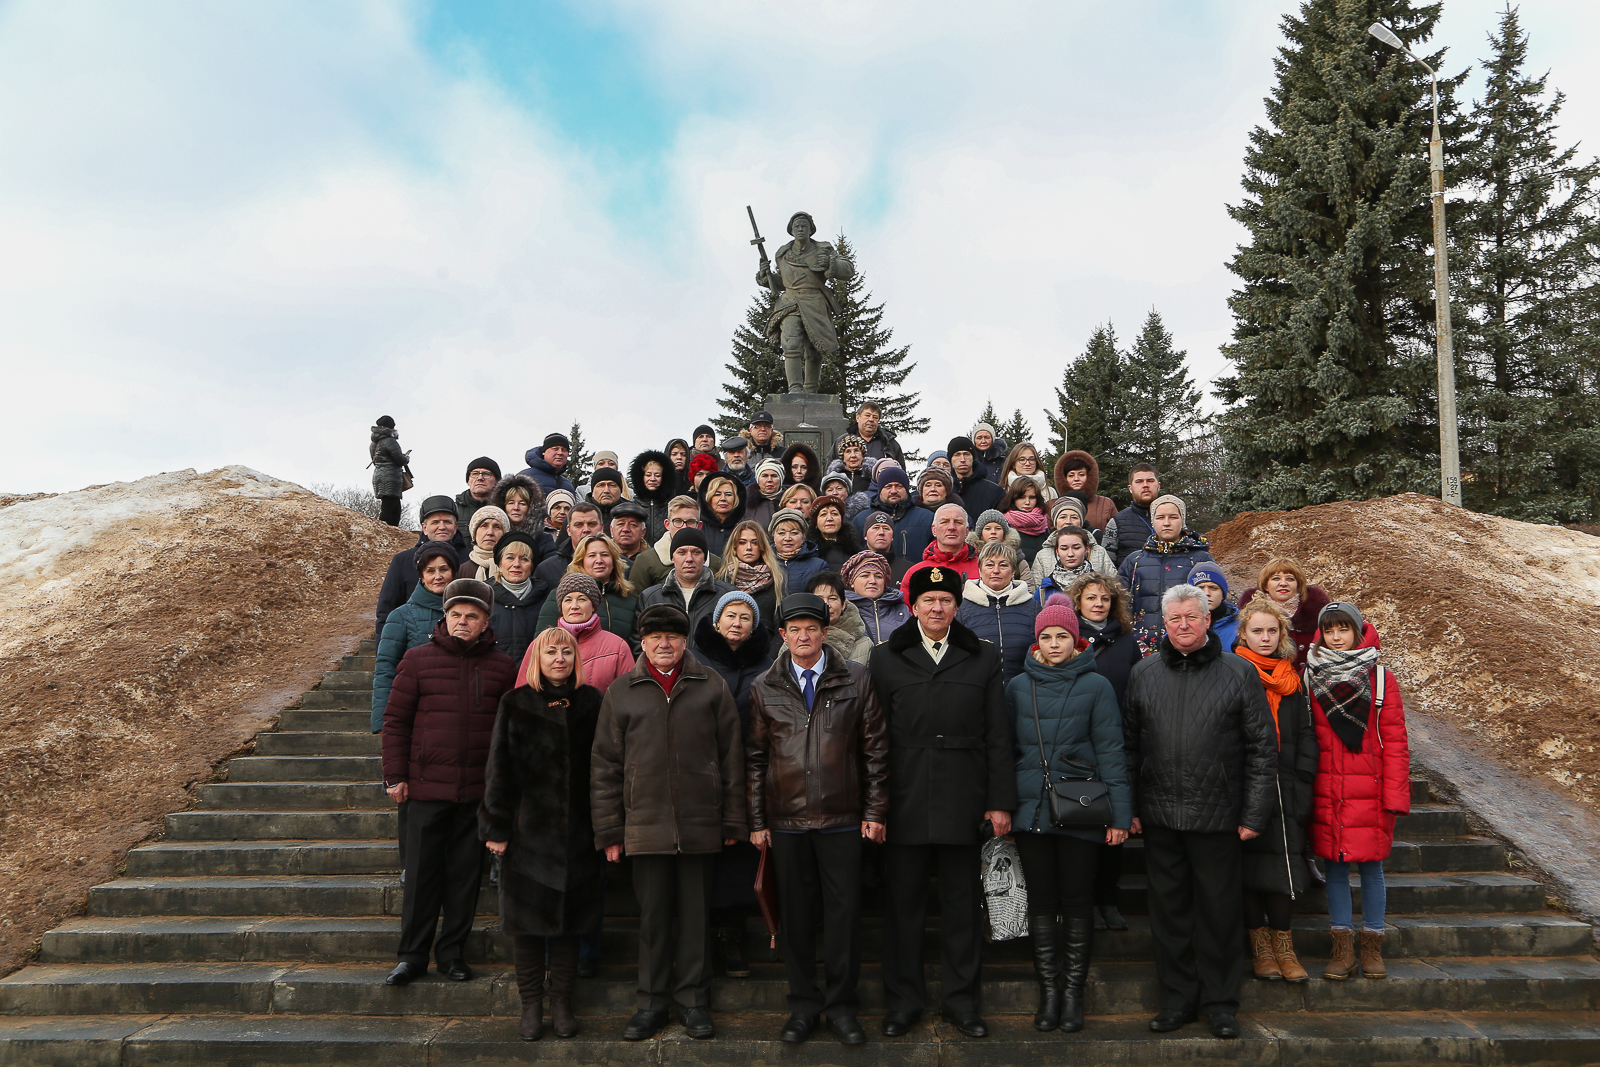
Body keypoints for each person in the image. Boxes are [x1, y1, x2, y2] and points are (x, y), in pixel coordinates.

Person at [1123, 585, 1277, 1040]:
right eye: (1175, 619)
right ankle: (1177, 1001)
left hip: (1218, 816)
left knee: (1218, 915)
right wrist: (1129, 807)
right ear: (1164, 623)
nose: (1184, 625)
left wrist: (1253, 814)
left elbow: (1262, 749)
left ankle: (1221, 1004)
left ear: (1208, 619)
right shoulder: (1143, 672)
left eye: (1192, 616)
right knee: (1169, 917)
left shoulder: (1238, 672)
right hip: (1160, 816)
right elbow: (1128, 746)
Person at [869, 563, 1017, 1039]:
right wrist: (875, 805)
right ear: (913, 606)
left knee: (961, 907)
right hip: (905, 797)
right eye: (928, 601)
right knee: (903, 908)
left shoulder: (982, 655)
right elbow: (874, 737)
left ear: (957, 607)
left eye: (945, 601)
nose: (937, 608)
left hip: (963, 796)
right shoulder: (884, 657)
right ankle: (903, 1003)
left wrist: (999, 801)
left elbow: (998, 733)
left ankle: (962, 1003)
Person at [591, 603, 747, 1042]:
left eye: (673, 637)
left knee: (696, 920)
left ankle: (694, 1002)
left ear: (684, 641)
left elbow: (732, 757)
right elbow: (605, 766)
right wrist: (610, 830)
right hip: (644, 826)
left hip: (701, 824)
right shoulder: (622, 691)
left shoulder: (711, 685)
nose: (664, 644)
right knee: (654, 922)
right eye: (655, 637)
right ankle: (651, 1004)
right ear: (642, 642)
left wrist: (733, 820)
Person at [747, 592, 889, 1045]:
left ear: (826, 632)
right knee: (796, 919)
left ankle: (843, 1009)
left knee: (844, 919)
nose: (804, 636)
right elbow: (755, 757)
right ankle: (803, 1007)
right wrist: (757, 820)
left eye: (812, 628)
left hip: (842, 819)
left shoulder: (857, 678)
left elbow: (875, 750)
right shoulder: (764, 686)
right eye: (795, 630)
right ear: (783, 635)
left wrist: (874, 811)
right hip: (787, 822)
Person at [381, 579, 517, 987]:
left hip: (476, 792)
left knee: (464, 879)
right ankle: (411, 956)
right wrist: (396, 775)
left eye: (471, 616)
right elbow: (396, 721)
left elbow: (509, 733)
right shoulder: (417, 660)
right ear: (444, 618)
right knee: (420, 878)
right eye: (455, 614)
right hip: (425, 789)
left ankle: (452, 954)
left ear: (485, 622)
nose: (462, 621)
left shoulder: (502, 667)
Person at [1008, 597, 1130, 1032]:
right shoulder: (1017, 687)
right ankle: (1049, 993)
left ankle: (1073, 994)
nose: (1055, 643)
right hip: (1031, 809)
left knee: (1078, 901)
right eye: (1046, 636)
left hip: (1081, 806)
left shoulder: (1096, 686)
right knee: (1042, 901)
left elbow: (1111, 751)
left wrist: (1120, 816)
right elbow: (1006, 752)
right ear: (1036, 641)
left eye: (1062, 635)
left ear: (1076, 641)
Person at [480, 627, 604, 1041]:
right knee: (527, 926)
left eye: (566, 652)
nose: (559, 659)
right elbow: (499, 768)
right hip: (527, 833)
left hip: (578, 833)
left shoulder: (592, 702)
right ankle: (531, 1004)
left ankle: (562, 1002)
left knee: (570, 925)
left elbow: (605, 768)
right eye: (551, 652)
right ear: (537, 658)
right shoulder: (515, 703)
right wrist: (497, 826)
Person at [1305, 601, 1411, 983]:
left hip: (1371, 789)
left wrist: (1395, 797)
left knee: (1372, 868)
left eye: (1343, 629)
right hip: (1328, 788)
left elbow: (1396, 741)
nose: (1336, 637)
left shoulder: (1381, 678)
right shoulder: (1310, 675)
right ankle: (1342, 948)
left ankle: (1372, 945)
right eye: (1329, 630)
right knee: (1334, 868)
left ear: (1357, 631)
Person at [1232, 599, 1317, 985]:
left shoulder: (1292, 679)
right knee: (1250, 870)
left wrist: (1302, 778)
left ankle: (1284, 945)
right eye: (1257, 631)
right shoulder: (1233, 672)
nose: (1265, 638)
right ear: (1243, 634)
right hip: (1247, 785)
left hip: (1286, 787)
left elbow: (1305, 733)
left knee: (1284, 867)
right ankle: (1261, 947)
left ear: (1282, 634)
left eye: (1272, 630)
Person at [694, 590, 777, 980]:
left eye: (746, 617)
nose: (737, 623)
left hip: (749, 773)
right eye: (730, 615)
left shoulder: (768, 665)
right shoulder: (696, 660)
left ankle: (732, 937)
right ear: (716, 622)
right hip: (700, 773)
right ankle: (703, 941)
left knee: (738, 861)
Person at [1065, 574, 1144, 931]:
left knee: (1114, 823)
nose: (1098, 604)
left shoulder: (1126, 641)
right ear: (1078, 601)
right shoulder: (1068, 638)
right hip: (1079, 744)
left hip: (1118, 742)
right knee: (1085, 825)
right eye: (1091, 597)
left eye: (1105, 598)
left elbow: (1138, 687)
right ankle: (1085, 902)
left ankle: (1108, 900)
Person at [757, 211, 856, 392]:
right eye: (797, 226)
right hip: (790, 302)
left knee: (814, 350)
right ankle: (794, 388)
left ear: (811, 230)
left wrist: (830, 264)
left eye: (804, 226)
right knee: (791, 343)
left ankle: (811, 391)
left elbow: (849, 270)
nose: (800, 229)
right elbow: (784, 282)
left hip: (815, 302)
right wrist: (766, 276)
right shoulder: (783, 254)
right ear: (791, 230)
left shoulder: (823, 249)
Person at [373, 542, 458, 734]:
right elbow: (385, 670)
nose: (438, 576)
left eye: (444, 569)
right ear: (421, 575)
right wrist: (381, 722)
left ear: (453, 573)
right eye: (430, 570)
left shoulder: (467, 615)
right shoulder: (400, 617)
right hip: (416, 717)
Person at [1117, 494, 1216, 649]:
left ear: (1182, 520)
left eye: (1173, 517)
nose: (1167, 523)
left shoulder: (1201, 559)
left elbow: (1214, 602)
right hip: (1141, 647)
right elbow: (1119, 605)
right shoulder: (1134, 561)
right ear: (1153, 521)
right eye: (1160, 517)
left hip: (1188, 645)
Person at [523, 573, 635, 693]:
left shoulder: (618, 647)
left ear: (593, 606)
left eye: (582, 599)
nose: (574, 606)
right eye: (568, 600)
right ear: (561, 607)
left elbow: (629, 695)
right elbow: (522, 695)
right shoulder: (539, 644)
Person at [374, 495, 466, 639]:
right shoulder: (402, 561)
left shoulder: (470, 558)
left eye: (447, 522)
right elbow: (387, 610)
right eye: (435, 522)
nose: (442, 527)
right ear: (424, 528)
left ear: (455, 527)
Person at [956, 541, 1040, 683]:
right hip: (978, 690)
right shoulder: (962, 609)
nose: (996, 570)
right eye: (989, 564)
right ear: (980, 570)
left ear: (1013, 571)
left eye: (1003, 565)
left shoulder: (1033, 608)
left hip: (1023, 690)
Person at [636, 528, 735, 647]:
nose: (689, 559)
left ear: (704, 558)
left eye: (696, 552)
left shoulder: (727, 596)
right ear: (672, 557)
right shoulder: (650, 598)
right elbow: (638, 642)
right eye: (681, 552)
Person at [536, 533, 639, 643]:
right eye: (591, 555)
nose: (599, 560)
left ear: (614, 562)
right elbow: (542, 643)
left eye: (604, 555)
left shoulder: (629, 600)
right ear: (581, 561)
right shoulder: (561, 595)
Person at [1237, 558, 1332, 669]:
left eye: (1290, 579)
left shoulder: (1319, 614)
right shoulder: (1250, 615)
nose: (1283, 583)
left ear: (1298, 585)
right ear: (1266, 585)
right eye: (1276, 578)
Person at [630, 496, 723, 593]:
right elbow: (637, 599)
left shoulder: (715, 564)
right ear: (667, 524)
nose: (684, 527)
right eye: (678, 521)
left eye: (690, 522)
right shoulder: (646, 561)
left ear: (699, 526)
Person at [715, 520, 784, 631]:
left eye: (755, 543)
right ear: (734, 546)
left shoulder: (777, 579)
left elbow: (781, 624)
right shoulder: (722, 580)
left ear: (762, 546)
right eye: (742, 542)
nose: (749, 547)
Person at [851, 466, 933, 560]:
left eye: (899, 486)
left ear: (906, 489)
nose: (893, 491)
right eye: (888, 486)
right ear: (880, 490)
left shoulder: (926, 518)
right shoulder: (861, 519)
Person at [903, 505, 979, 604]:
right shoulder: (915, 572)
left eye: (958, 522)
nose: (951, 527)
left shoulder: (984, 570)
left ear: (967, 531)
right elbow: (907, 609)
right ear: (934, 530)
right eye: (944, 522)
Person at [532, 503, 603, 610]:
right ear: (568, 530)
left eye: (592, 524)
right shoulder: (547, 569)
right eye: (578, 525)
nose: (586, 529)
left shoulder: (618, 566)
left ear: (602, 527)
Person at [489, 533, 543, 664]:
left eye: (524, 559)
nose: (517, 564)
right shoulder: (484, 596)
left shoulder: (545, 598)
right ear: (499, 563)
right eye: (510, 558)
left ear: (532, 566)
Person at [842, 549, 910, 648]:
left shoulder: (902, 611)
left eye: (878, 576)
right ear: (852, 582)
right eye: (865, 575)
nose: (873, 581)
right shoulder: (842, 610)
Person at [805, 571, 874, 664]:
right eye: (819, 599)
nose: (826, 604)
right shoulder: (794, 640)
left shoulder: (864, 645)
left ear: (843, 604)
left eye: (832, 598)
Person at [1103, 464, 1162, 569]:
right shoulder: (1116, 523)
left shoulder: (1174, 520)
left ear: (1159, 486)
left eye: (1150, 481)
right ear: (1130, 488)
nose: (1145, 485)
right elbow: (1106, 568)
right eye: (1139, 481)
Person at [969, 509, 1037, 591]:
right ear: (980, 533)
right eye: (988, 528)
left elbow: (1029, 590)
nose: (993, 532)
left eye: (998, 528)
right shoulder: (970, 557)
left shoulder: (1018, 560)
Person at [1053, 451, 1118, 533]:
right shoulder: (1052, 505)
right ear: (1064, 478)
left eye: (1081, 474)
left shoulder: (1105, 503)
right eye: (1071, 475)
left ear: (1089, 477)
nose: (1076, 479)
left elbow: (1117, 531)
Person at [945, 436, 1004, 522]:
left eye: (966, 454)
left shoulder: (995, 492)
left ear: (973, 458)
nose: (962, 459)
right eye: (957, 455)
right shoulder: (944, 491)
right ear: (950, 460)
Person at [769, 509, 827, 593]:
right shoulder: (763, 562)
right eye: (781, 533)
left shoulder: (818, 566)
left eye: (794, 533)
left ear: (803, 537)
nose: (787, 538)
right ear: (773, 536)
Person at [492, 472, 551, 547]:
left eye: (522, 503)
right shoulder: (492, 536)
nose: (516, 508)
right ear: (503, 506)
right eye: (511, 503)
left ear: (531, 507)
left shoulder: (544, 540)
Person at [1189, 563, 1240, 651]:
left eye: (1213, 588)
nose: (1206, 593)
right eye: (1200, 588)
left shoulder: (1242, 627)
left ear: (1223, 594)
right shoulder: (1179, 627)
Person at [369, 416, 409, 526]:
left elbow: (376, 461)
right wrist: (407, 457)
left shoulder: (374, 443)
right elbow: (400, 460)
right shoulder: (390, 441)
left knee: (395, 509)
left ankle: (393, 533)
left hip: (379, 476)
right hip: (391, 478)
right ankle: (380, 531)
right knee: (388, 510)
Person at [629, 450, 676, 542]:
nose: (653, 479)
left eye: (657, 475)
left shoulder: (672, 507)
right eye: (648, 475)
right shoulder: (631, 507)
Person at [859, 510, 916, 584]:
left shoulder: (909, 570)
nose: (881, 532)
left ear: (892, 537)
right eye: (876, 527)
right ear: (865, 535)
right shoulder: (853, 566)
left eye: (886, 528)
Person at [698, 472, 747, 555]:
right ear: (708, 498)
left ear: (736, 499)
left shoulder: (744, 527)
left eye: (728, 494)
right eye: (717, 494)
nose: (723, 498)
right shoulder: (697, 526)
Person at [1001, 479, 1050, 562]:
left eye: (1032, 497)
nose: (1027, 502)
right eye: (1022, 497)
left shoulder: (1044, 526)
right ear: (1013, 498)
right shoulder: (1002, 525)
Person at [808, 495, 862, 569]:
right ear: (816, 522)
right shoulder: (808, 551)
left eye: (834, 514)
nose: (829, 518)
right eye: (823, 514)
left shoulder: (855, 553)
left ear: (841, 520)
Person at [460, 506, 511, 582]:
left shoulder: (513, 568)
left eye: (497, 527)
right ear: (474, 533)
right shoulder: (461, 571)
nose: (490, 532)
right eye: (484, 526)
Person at [998, 442, 1057, 506]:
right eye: (1022, 459)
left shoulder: (1050, 492)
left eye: (1032, 459)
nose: (1027, 463)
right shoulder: (1003, 491)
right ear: (1013, 463)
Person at [849, 400, 905, 465]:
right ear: (858, 417)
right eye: (867, 415)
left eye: (875, 417)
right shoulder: (844, 441)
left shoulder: (890, 443)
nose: (871, 419)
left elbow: (900, 469)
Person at [455, 457, 502, 532]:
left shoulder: (506, 509)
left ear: (497, 481)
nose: (480, 478)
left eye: (486, 474)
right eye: (475, 474)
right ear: (468, 481)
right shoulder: (454, 510)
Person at [608, 501, 649, 571]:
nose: (626, 529)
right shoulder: (602, 558)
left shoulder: (651, 559)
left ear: (643, 532)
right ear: (611, 530)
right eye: (620, 524)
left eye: (633, 525)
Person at [745, 459, 785, 529]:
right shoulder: (746, 505)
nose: (769, 480)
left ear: (781, 479)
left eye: (774, 476)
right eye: (764, 476)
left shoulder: (791, 501)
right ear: (758, 479)